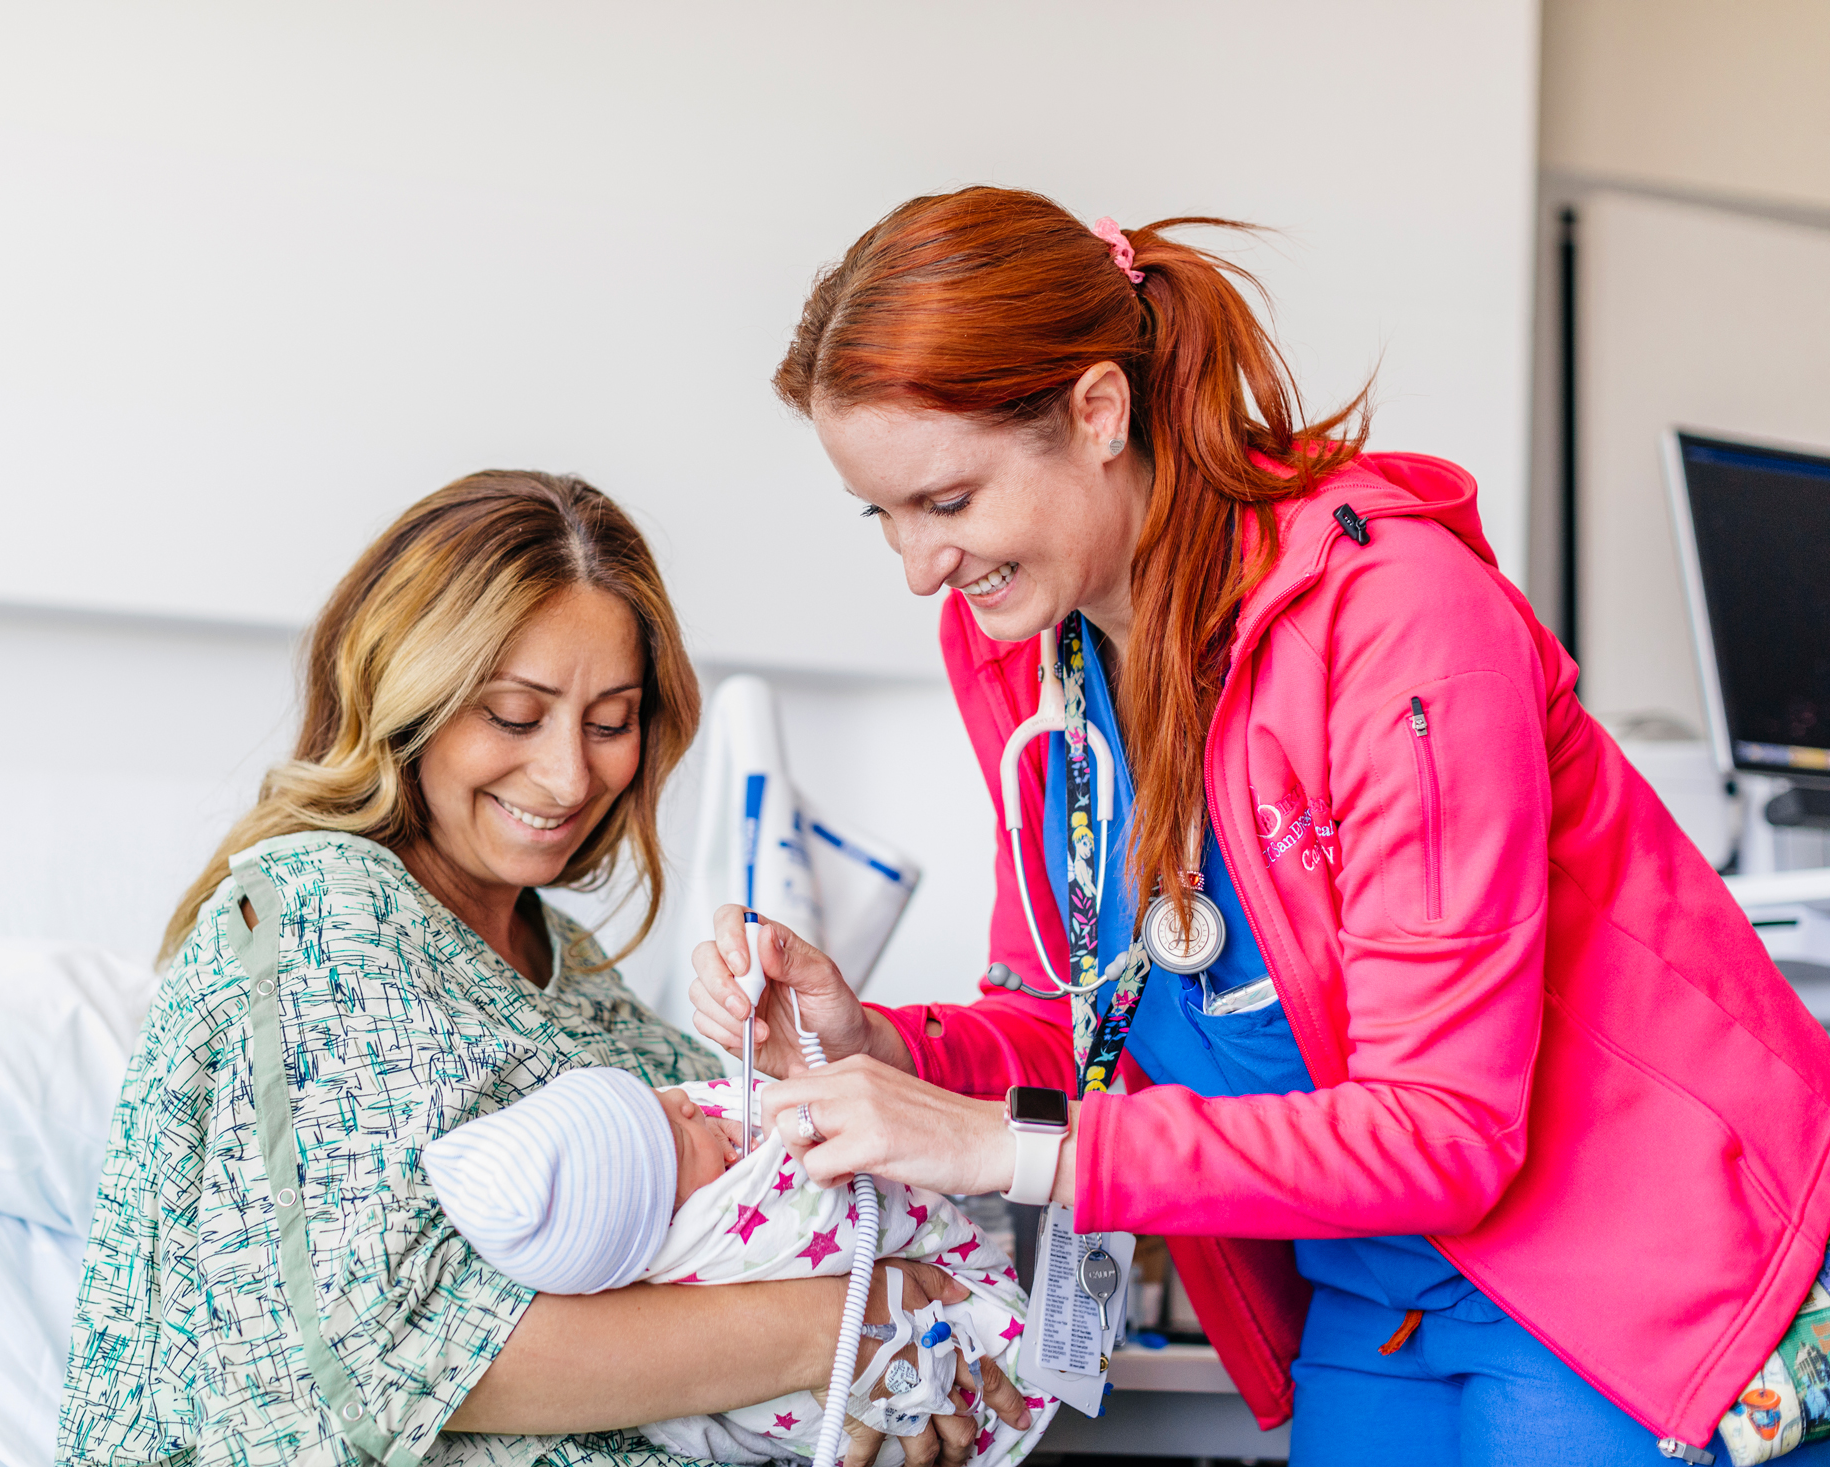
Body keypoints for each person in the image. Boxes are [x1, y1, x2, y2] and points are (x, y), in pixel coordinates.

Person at [688, 187, 1830, 1466]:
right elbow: (1084, 1020)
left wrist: (1000, 1148)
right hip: (1375, 1285)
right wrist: (884, 1044)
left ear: (1097, 412)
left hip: (1626, 1269)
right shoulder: (1024, 647)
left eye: (947, 503)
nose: (918, 567)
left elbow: (1440, 1129)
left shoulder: (1398, 619)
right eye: (881, 514)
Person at [56, 469, 1028, 1467]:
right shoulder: (313, 916)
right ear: (406, 700)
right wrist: (845, 1321)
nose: (569, 776)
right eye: (515, 716)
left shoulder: (573, 972)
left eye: (610, 722)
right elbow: (370, 1360)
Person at [420, 1066, 1056, 1467]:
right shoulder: (728, 1220)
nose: (684, 1099)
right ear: (660, 1220)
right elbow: (824, 1208)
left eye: (656, 1095)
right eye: (670, 1132)